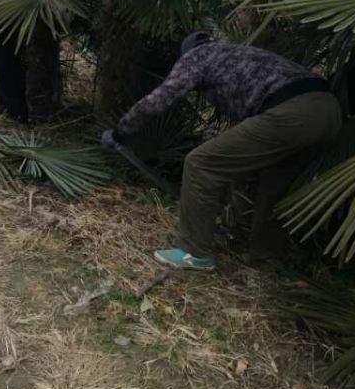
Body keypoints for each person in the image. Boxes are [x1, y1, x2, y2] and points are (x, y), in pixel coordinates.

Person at [102, 32, 342, 271]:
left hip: (291, 113)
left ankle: (193, 252)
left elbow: (158, 100)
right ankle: (268, 256)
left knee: (201, 163)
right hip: (329, 109)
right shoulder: (238, 53)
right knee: (275, 184)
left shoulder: (197, 56)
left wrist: (121, 131)